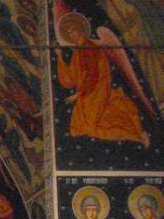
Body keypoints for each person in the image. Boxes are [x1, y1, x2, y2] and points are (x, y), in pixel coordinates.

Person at [55, 12, 151, 147]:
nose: (72, 35)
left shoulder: (87, 47)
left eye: (73, 30)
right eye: (69, 33)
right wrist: (60, 58)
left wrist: (80, 93)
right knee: (104, 118)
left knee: (86, 126)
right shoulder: (78, 51)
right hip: (90, 93)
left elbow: (92, 72)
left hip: (94, 91)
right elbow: (71, 80)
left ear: (80, 29)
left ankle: (136, 136)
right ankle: (138, 133)